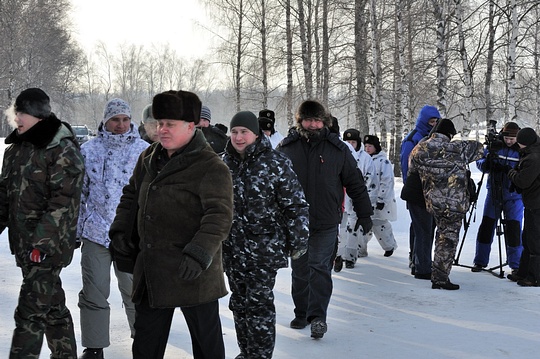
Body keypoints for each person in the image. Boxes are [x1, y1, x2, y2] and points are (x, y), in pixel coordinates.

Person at [109, 90, 233, 358]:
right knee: (145, 345)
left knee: (207, 346)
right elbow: (131, 196)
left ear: (191, 125)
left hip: (193, 272)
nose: (161, 130)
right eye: (159, 123)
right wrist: (120, 230)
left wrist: (199, 254)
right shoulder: (149, 157)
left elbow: (219, 216)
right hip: (154, 270)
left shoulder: (210, 165)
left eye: (170, 125)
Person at [277, 99, 373, 339]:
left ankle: (318, 316)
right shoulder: (287, 148)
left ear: (324, 121)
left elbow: (355, 183)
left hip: (326, 220)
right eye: (308, 119)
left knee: (320, 268)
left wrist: (365, 213)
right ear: (300, 121)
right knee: (300, 270)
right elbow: (272, 185)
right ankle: (301, 312)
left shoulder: (337, 149)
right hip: (296, 223)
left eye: (317, 120)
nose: (312, 124)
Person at [0, 88, 84, 358]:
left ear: (38, 115)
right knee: (53, 309)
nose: (17, 118)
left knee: (30, 312)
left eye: (22, 113)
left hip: (48, 247)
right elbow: (4, 195)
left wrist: (42, 243)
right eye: (16, 112)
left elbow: (64, 200)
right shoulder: (15, 150)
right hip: (24, 245)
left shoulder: (61, 148)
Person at [222, 110, 309, 359]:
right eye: (235, 132)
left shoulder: (275, 162)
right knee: (239, 303)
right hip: (232, 249)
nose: (239, 137)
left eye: (244, 132)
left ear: (256, 134)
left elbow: (295, 205)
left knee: (258, 306)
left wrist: (298, 239)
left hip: (264, 250)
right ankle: (245, 351)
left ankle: (260, 355)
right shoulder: (221, 164)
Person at [77, 98, 149, 359]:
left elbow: (150, 196)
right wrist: (77, 231)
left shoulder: (144, 151)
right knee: (94, 291)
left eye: (125, 119)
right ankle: (94, 347)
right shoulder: (89, 150)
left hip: (130, 235)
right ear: (105, 121)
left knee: (134, 292)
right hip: (96, 232)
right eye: (115, 119)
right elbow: (81, 195)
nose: (120, 125)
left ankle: (143, 342)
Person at [409, 118, 483, 290]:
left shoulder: (420, 148)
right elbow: (479, 149)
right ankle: (440, 278)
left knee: (435, 235)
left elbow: (413, 171)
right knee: (447, 240)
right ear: (449, 134)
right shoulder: (457, 148)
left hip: (432, 202)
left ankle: (433, 272)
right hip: (454, 204)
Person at [472, 122, 523, 275]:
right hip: (494, 193)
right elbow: (480, 162)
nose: (509, 141)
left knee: (514, 229)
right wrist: (487, 164)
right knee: (487, 226)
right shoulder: (495, 146)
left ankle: (516, 264)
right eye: (507, 138)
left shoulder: (521, 150)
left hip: (514, 195)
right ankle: (480, 261)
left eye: (512, 139)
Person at [400, 105, 440, 274]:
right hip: (417, 190)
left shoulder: (435, 137)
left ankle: (419, 258)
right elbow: (405, 164)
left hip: (431, 190)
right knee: (420, 227)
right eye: (432, 121)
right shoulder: (413, 139)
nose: (434, 124)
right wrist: (410, 185)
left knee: (425, 226)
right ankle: (418, 260)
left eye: (437, 121)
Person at [335, 129, 378, 271]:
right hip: (341, 199)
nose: (350, 144)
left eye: (353, 142)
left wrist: (363, 199)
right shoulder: (340, 152)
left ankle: (350, 257)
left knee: (352, 229)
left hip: (356, 199)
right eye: (348, 142)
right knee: (341, 229)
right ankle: (338, 256)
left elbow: (370, 179)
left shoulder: (365, 158)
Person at [507, 127, 540, 286]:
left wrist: (511, 173)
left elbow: (522, 181)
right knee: (527, 239)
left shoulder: (533, 158)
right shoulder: (532, 152)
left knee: (534, 241)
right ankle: (523, 272)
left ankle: (534, 277)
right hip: (533, 202)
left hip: (536, 204)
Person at [362, 135, 398, 257]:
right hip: (365, 199)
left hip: (378, 200)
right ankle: (359, 249)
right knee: (362, 225)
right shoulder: (363, 159)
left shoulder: (383, 161)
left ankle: (389, 246)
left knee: (380, 224)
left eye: (370, 146)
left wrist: (382, 199)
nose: (367, 148)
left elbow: (387, 181)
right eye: (365, 146)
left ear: (376, 147)